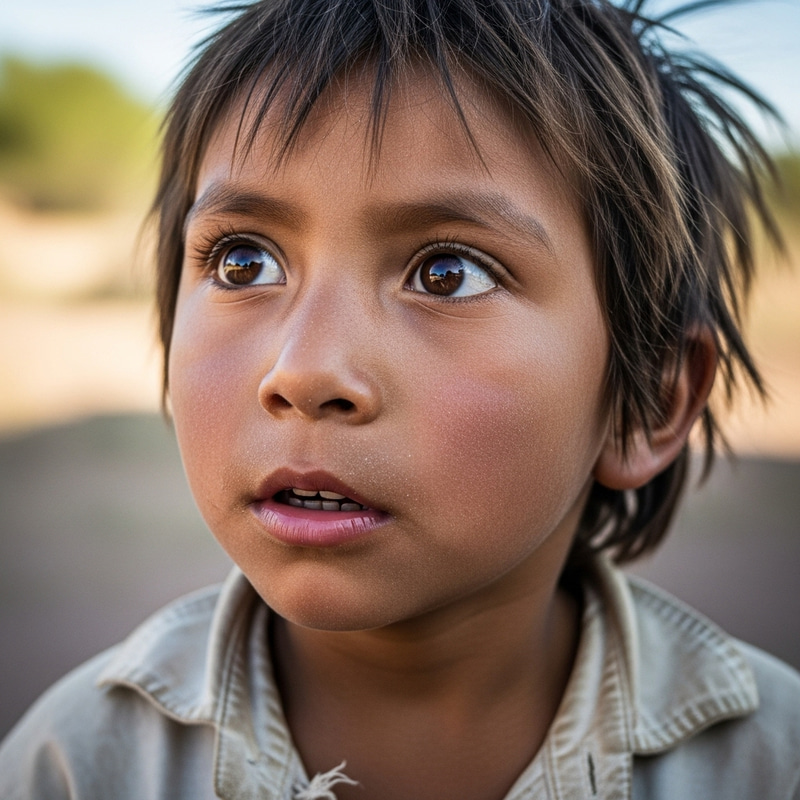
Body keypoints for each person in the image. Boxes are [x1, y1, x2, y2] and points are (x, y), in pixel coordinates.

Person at [1, 0, 799, 797]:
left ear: (646, 401)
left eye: (447, 273)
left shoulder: (770, 763)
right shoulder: (74, 766)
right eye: (244, 263)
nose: (305, 371)